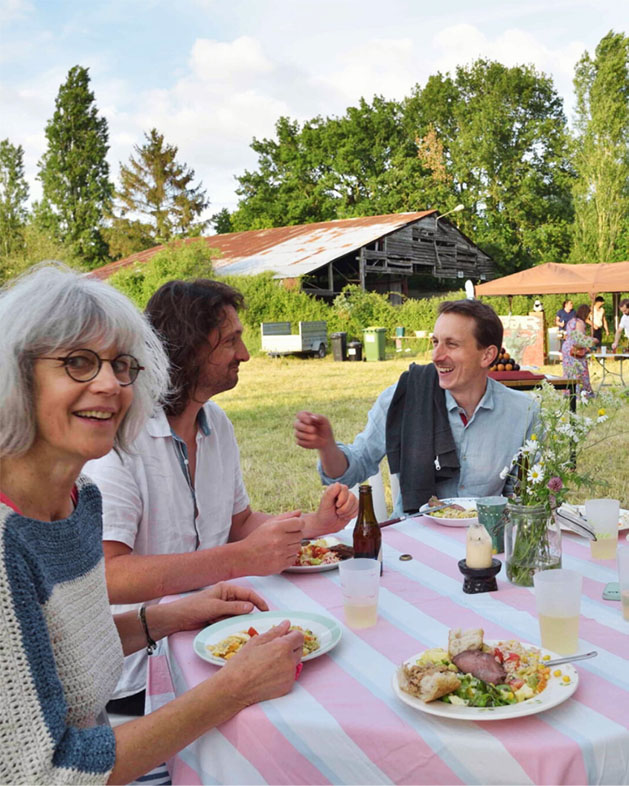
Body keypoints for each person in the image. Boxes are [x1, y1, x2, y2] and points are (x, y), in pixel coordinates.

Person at [0, 265, 304, 785]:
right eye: (77, 362)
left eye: (122, 364)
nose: (109, 384)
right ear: (17, 377)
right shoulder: (8, 544)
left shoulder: (78, 499)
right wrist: (235, 687)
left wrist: (168, 617)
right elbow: (44, 772)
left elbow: (63, 652)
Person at [85, 278, 356, 712]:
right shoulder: (122, 441)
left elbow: (239, 524)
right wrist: (240, 559)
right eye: (231, 340)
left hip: (215, 640)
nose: (245, 354)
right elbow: (109, 577)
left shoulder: (217, 424)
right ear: (190, 348)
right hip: (142, 674)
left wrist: (316, 526)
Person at [295, 300, 539, 516]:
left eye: (451, 344)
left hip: (488, 541)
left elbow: (523, 497)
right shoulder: (403, 397)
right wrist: (326, 446)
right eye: (435, 342)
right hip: (413, 540)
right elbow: (353, 469)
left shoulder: (523, 412)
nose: (436, 356)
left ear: (487, 355)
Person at [561, 303, 595, 399]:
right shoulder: (580, 323)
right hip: (575, 349)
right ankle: (583, 392)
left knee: (568, 371)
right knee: (580, 370)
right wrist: (592, 341)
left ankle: (568, 392)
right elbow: (580, 338)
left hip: (566, 347)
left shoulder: (571, 321)